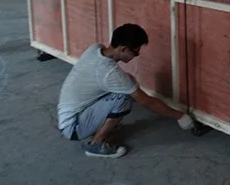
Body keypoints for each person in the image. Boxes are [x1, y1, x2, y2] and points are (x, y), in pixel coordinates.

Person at [57, 23, 195, 158]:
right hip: (74, 126)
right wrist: (180, 116)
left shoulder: (96, 49)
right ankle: (96, 144)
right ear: (123, 49)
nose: (137, 55)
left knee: (127, 83)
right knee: (123, 97)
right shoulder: (110, 73)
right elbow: (147, 102)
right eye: (135, 52)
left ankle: (98, 127)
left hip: (70, 115)